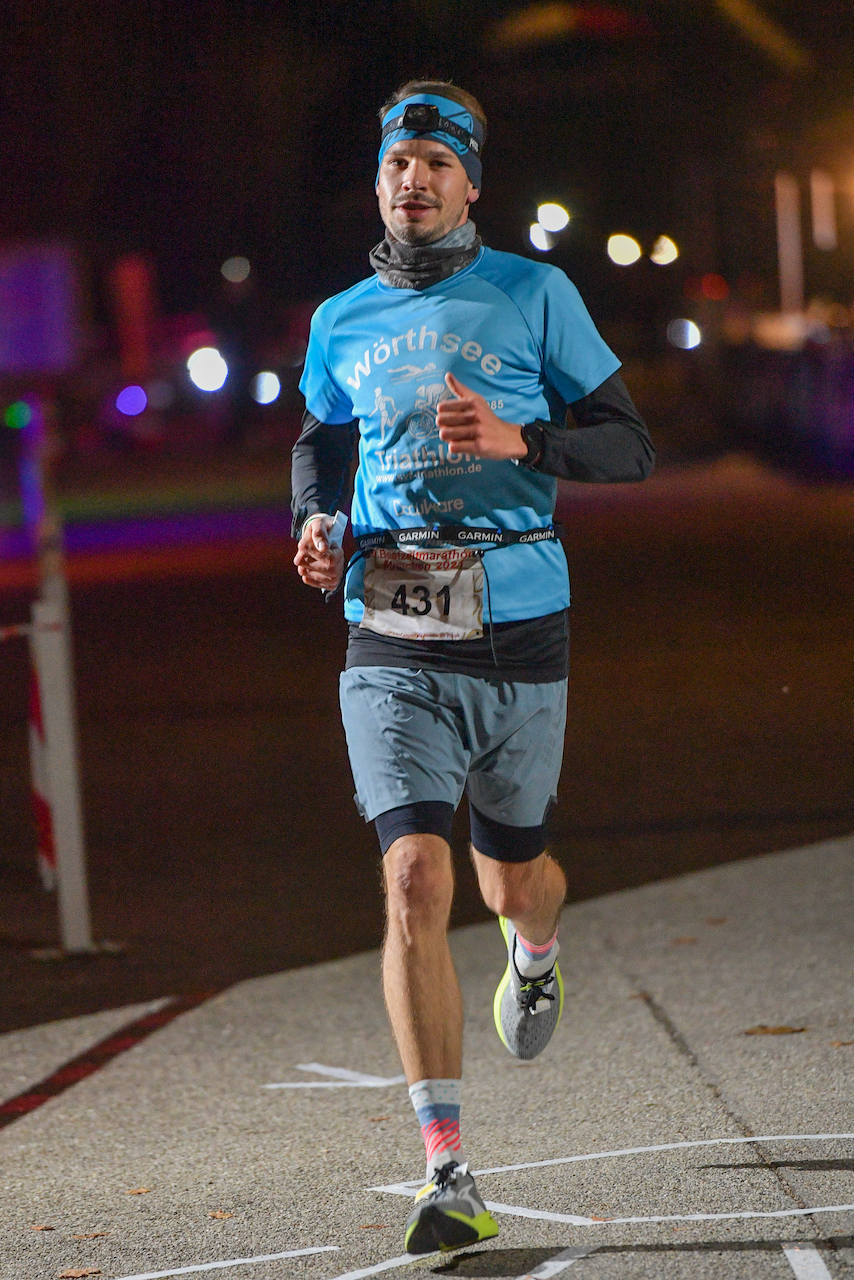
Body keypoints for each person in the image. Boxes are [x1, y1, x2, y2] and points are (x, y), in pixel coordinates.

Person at [292, 80, 654, 1255]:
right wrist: (311, 516)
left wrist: (521, 439)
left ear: (470, 185)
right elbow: (318, 436)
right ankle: (445, 1167)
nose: (414, 180)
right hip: (387, 624)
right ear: (380, 182)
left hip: (519, 623)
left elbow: (629, 444)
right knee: (410, 875)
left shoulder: (533, 295)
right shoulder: (340, 317)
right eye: (399, 162)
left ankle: (535, 947)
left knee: (512, 881)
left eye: (436, 164)